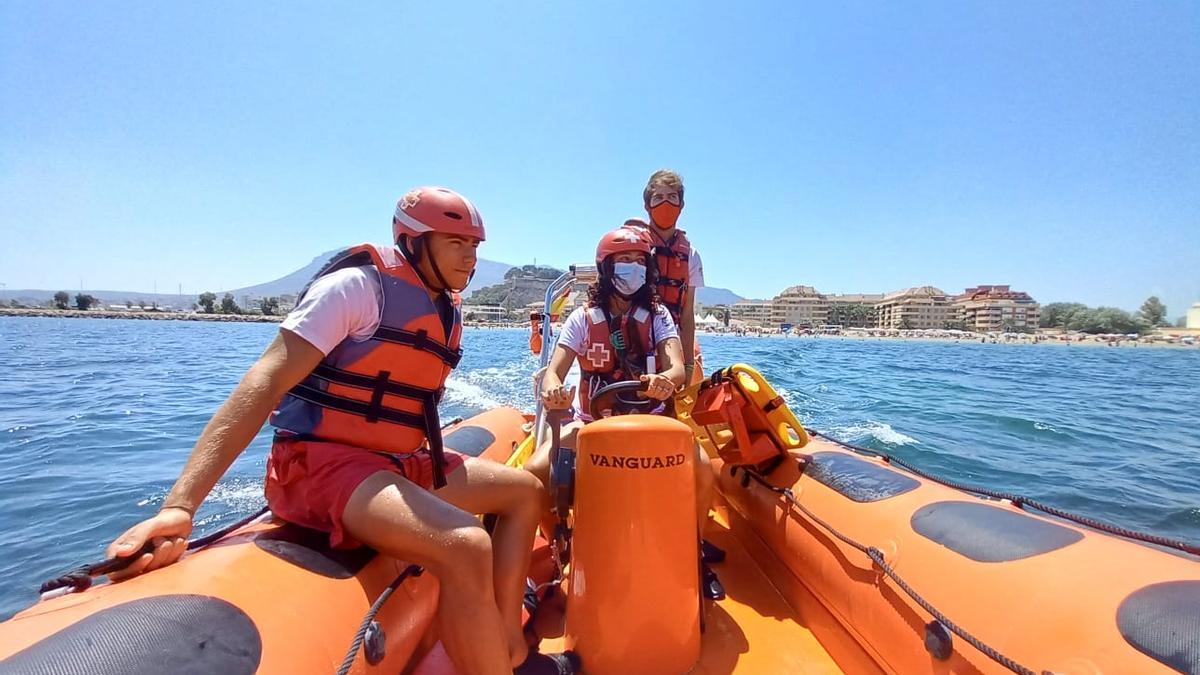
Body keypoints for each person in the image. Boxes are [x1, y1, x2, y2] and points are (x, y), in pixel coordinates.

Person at [105, 187, 552, 675]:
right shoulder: (357, 289)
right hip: (325, 467)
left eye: (475, 245)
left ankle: (508, 641)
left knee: (525, 492)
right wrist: (180, 507)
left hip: (400, 463)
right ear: (414, 241)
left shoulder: (447, 306)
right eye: (455, 242)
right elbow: (264, 381)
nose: (470, 256)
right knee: (466, 544)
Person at [525, 228, 722, 599]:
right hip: (592, 424)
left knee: (702, 468)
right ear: (606, 268)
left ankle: (693, 552)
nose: (632, 269)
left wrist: (665, 380)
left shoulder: (659, 315)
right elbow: (555, 370)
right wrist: (553, 386)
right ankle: (559, 544)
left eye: (638, 262)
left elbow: (677, 368)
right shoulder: (583, 319)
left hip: (654, 425)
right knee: (535, 473)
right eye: (623, 261)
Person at [624, 169, 705, 385]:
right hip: (632, 336)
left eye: (672, 197)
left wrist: (688, 364)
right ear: (647, 205)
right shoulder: (632, 246)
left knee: (689, 375)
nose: (665, 203)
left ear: (681, 205)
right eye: (658, 197)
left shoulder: (691, 255)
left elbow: (687, 315)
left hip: (671, 341)